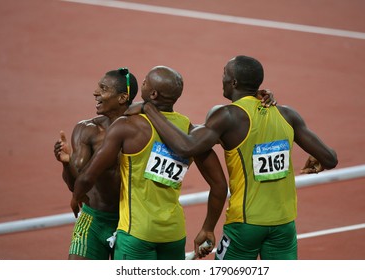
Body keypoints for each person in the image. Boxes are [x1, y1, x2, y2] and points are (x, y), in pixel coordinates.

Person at [128, 55, 338, 260]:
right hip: (284, 224)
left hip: (245, 223)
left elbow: (186, 146)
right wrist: (316, 157)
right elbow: (330, 159)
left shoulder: (228, 116)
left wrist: (149, 109)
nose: (222, 79)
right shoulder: (287, 114)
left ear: (234, 82)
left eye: (224, 74)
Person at [71, 66, 230, 260]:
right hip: (174, 234)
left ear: (153, 94)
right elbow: (220, 185)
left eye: (145, 82)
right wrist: (208, 227)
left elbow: (88, 177)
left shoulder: (128, 126)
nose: (141, 85)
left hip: (136, 233)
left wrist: (76, 195)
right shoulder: (191, 131)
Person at [53, 67, 138, 259]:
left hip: (132, 222)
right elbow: (75, 186)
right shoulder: (87, 130)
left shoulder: (143, 132)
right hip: (94, 218)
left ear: (122, 98)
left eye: (103, 88)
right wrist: (66, 163)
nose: (95, 93)